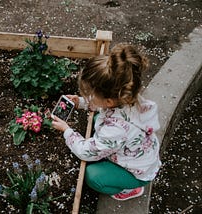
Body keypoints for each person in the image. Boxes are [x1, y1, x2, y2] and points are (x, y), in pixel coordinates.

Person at [51, 43, 161, 201]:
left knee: (92, 176)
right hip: (139, 152)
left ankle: (131, 189)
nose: (89, 96)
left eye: (91, 94)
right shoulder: (128, 98)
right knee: (98, 119)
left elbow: (85, 152)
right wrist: (81, 102)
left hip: (137, 172)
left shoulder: (115, 130)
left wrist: (67, 131)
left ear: (109, 101)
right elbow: (102, 106)